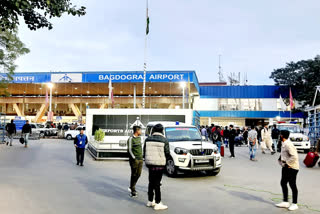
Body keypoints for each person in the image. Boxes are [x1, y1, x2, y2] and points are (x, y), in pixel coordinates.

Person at [143, 124, 170, 210]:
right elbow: (167, 153)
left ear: (154, 130)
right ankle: (158, 203)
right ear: (162, 130)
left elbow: (144, 151)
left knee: (151, 182)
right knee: (157, 183)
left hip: (150, 164)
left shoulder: (147, 139)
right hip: (159, 165)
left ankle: (150, 201)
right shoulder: (164, 140)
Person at [276, 130, 299, 211]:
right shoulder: (284, 143)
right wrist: (281, 161)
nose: (279, 136)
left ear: (282, 136)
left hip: (292, 167)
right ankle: (285, 202)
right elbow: (284, 154)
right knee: (283, 182)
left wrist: (288, 164)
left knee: (292, 184)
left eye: (280, 135)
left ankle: (294, 203)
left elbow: (294, 156)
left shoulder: (288, 144)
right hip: (286, 166)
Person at [127, 126, 143, 198]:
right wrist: (134, 158)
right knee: (134, 174)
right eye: (140, 130)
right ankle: (133, 189)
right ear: (137, 131)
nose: (141, 132)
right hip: (134, 160)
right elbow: (129, 150)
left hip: (141, 159)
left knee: (139, 174)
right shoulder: (131, 139)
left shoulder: (140, 138)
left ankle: (132, 186)